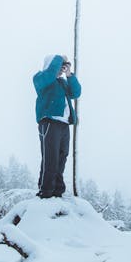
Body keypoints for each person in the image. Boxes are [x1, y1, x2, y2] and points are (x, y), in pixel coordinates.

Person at [32, 54, 82, 199]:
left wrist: (69, 74)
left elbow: (76, 93)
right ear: (51, 64)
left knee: (62, 156)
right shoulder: (41, 78)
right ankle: (45, 191)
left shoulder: (62, 83)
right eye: (59, 66)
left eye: (62, 67)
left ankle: (57, 191)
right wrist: (59, 58)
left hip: (64, 124)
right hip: (49, 122)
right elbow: (49, 74)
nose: (60, 70)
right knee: (50, 157)